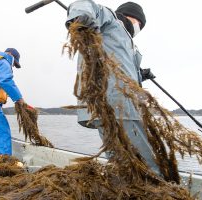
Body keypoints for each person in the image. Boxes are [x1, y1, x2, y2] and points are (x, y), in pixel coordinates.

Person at [66, 1, 161, 175]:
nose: (139, 29)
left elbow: (118, 63)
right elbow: (84, 4)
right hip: (118, 103)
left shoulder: (123, 39)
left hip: (106, 106)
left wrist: (140, 74)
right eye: (141, 25)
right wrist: (82, 19)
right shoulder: (112, 20)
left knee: (120, 161)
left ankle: (126, 189)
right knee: (146, 163)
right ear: (134, 18)